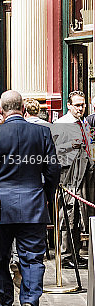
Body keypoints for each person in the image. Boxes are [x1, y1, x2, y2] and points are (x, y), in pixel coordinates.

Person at [0, 90, 60, 306]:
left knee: (0, 259)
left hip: (0, 207)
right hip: (32, 203)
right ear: (23, 110)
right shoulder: (42, 132)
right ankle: (30, 302)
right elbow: (53, 169)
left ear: (1, 110)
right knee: (33, 258)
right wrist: (46, 195)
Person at [52, 90, 92, 268]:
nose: (80, 108)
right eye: (77, 105)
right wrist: (71, 145)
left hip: (84, 173)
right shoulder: (61, 123)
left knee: (78, 214)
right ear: (69, 105)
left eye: (83, 105)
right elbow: (52, 149)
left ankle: (75, 253)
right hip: (68, 175)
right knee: (67, 214)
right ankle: (66, 254)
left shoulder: (83, 122)